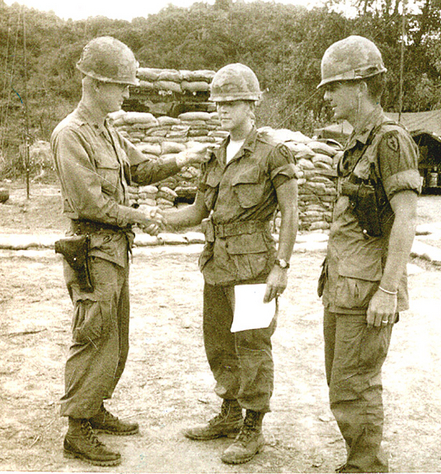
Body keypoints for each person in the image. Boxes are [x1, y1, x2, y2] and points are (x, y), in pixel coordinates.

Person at [51, 36, 208, 467]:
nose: (125, 93)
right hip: (92, 249)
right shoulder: (71, 135)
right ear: (96, 84)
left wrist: (183, 158)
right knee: (93, 336)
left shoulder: (108, 131)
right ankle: (77, 429)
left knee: (115, 339)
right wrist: (141, 217)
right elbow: (89, 204)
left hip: (114, 251)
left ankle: (94, 407)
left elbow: (139, 170)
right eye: (120, 86)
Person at [161, 63, 298, 465]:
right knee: (219, 343)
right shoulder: (216, 154)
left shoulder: (274, 153)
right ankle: (229, 412)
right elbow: (198, 210)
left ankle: (253, 425)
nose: (222, 110)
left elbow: (291, 213)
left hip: (256, 265)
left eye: (231, 103)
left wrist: (282, 265)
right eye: (218, 103)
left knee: (252, 344)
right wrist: (155, 219)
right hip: (217, 264)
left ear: (251, 104)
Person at [316, 36, 420, 473]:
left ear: (360, 86)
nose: (328, 96)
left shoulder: (390, 141)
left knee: (355, 384)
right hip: (343, 287)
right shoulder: (356, 143)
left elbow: (406, 219)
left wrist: (387, 291)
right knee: (342, 384)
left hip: (368, 292)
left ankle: (365, 467)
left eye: (334, 87)